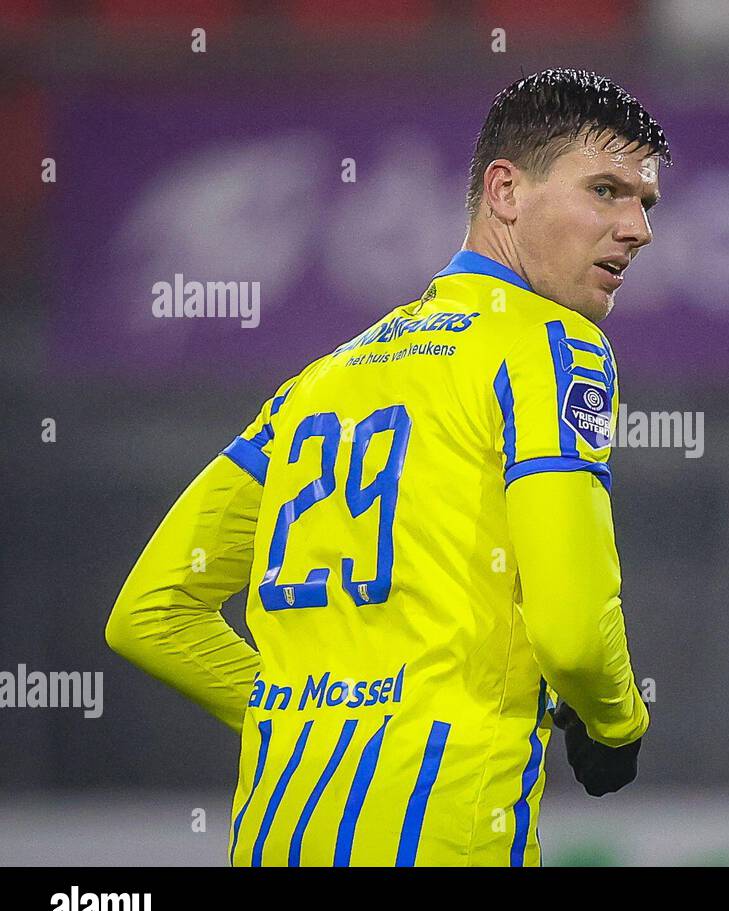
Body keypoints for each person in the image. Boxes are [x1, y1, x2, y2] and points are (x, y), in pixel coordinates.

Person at [105, 68, 670, 866]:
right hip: (442, 833)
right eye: (607, 191)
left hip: (273, 838)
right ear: (504, 190)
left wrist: (300, 723)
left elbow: (151, 614)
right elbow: (574, 634)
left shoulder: (317, 385)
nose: (637, 227)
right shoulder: (551, 344)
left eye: (645, 203)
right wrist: (617, 723)